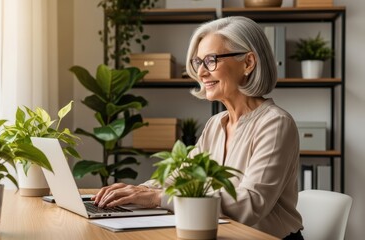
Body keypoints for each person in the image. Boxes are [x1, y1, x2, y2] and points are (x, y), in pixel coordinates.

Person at [92, 16, 304, 240]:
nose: (201, 73)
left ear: (248, 63)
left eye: (211, 60)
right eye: (198, 62)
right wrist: (136, 191)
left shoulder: (275, 123)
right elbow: (179, 175)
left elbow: (249, 204)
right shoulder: (216, 124)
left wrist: (157, 198)